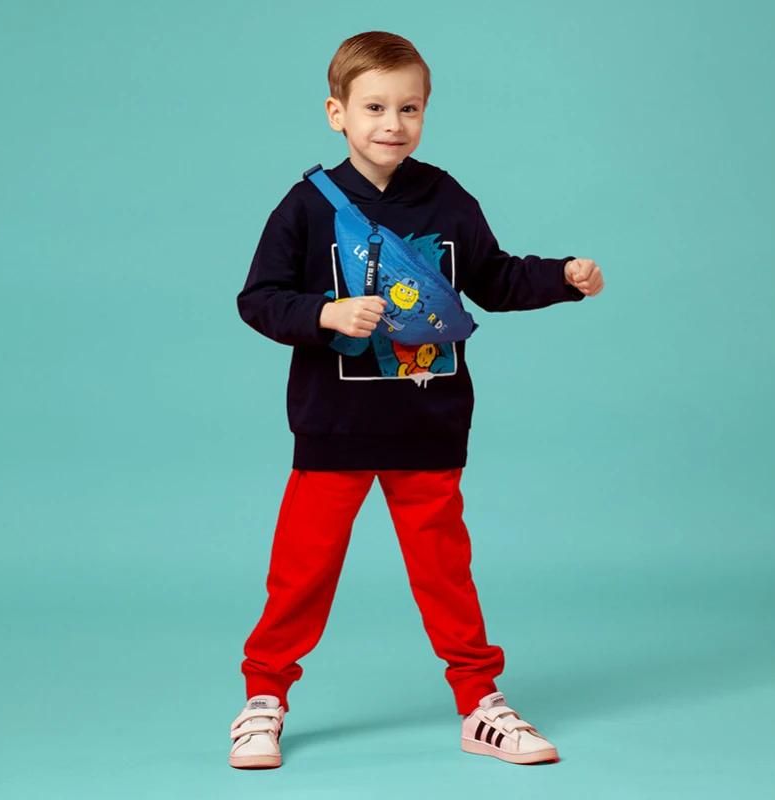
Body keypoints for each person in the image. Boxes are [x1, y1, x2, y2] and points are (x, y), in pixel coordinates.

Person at [228, 30, 604, 770]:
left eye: (409, 108)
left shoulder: (447, 198)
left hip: (430, 424)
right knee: (301, 573)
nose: (392, 124)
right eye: (374, 107)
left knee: (445, 574)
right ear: (336, 113)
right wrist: (326, 313)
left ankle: (481, 703)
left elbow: (494, 279)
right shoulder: (306, 207)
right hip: (333, 428)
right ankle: (263, 697)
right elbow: (259, 298)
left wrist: (561, 276)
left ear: (425, 112)